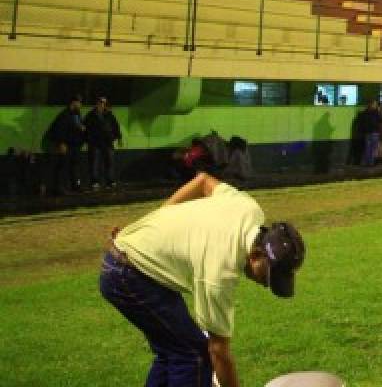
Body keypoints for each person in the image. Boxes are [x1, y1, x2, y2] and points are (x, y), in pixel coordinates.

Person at [101, 171, 305, 387]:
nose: (266, 284)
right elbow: (218, 352)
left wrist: (158, 221)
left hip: (131, 266)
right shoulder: (220, 274)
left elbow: (203, 181)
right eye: (268, 276)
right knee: (194, 356)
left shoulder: (248, 208)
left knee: (174, 350)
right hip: (128, 276)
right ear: (255, 255)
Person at [45, 96, 87, 194]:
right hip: (67, 144)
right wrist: (61, 143)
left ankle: (76, 185)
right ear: (73, 103)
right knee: (63, 166)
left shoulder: (77, 114)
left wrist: (81, 131)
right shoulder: (65, 115)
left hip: (75, 144)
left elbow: (77, 127)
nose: (80, 105)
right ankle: (59, 188)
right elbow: (59, 130)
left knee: (75, 166)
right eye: (79, 103)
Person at [84, 96, 122, 189]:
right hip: (95, 143)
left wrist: (118, 137)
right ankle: (95, 182)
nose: (102, 105)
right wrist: (89, 140)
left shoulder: (109, 115)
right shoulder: (90, 115)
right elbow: (86, 129)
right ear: (97, 103)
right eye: (100, 102)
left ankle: (110, 181)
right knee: (94, 163)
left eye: (104, 103)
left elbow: (115, 126)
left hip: (107, 142)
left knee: (109, 162)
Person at [355, 100, 382, 167]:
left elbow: (361, 123)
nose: (376, 105)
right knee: (373, 149)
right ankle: (370, 162)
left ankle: (367, 162)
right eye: (375, 104)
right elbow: (380, 119)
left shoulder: (363, 113)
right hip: (374, 133)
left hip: (367, 133)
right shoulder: (375, 112)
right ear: (373, 105)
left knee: (367, 148)